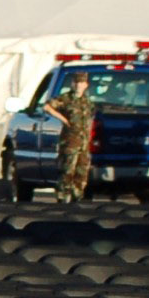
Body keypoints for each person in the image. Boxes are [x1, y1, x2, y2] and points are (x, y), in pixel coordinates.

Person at [50, 75, 98, 203]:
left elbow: (91, 117)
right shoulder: (66, 98)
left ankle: (78, 196)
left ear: (86, 85)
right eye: (76, 82)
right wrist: (64, 120)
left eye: (81, 83)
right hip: (70, 140)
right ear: (72, 84)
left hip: (84, 141)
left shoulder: (87, 101)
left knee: (82, 170)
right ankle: (62, 195)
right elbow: (48, 107)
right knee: (67, 169)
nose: (79, 85)